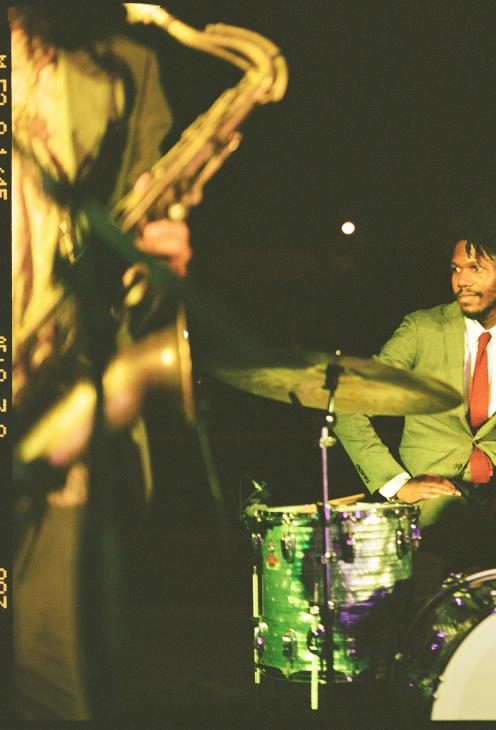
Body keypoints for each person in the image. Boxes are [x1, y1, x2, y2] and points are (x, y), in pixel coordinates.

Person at [9, 5, 192, 720]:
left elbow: (135, 274)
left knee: (50, 685)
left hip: (60, 423)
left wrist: (157, 265)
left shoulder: (126, 66)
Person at [334, 210, 496, 577]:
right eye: (456, 269)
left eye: (475, 269)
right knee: (467, 531)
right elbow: (349, 403)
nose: (461, 281)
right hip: (435, 490)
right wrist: (398, 485)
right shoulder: (421, 329)